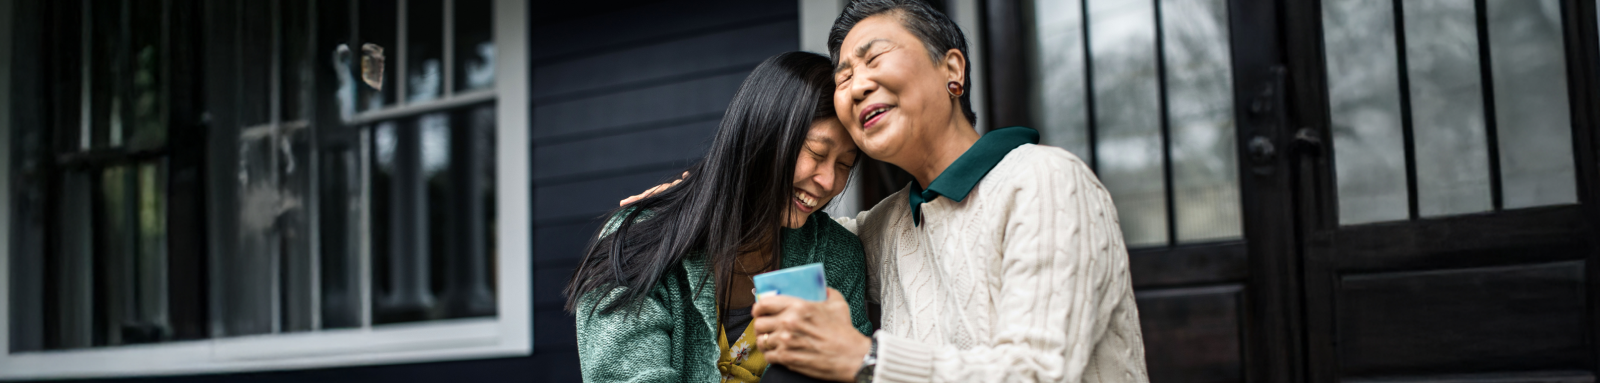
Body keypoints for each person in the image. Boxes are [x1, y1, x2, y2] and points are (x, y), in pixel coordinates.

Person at [627, 1, 1150, 382]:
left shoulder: (1044, 181)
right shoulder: (892, 224)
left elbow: (1041, 374)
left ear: (952, 69)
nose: (855, 85)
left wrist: (866, 358)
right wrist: (704, 194)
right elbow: (786, 219)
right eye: (845, 74)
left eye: (874, 59)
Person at [566, 52, 873, 383]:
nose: (829, 181)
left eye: (844, 164)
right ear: (762, 136)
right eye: (816, 153)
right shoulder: (640, 242)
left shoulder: (836, 258)